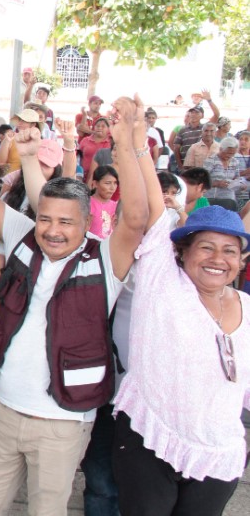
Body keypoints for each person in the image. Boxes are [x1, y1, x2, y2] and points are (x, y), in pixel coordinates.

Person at [0, 96, 150, 515]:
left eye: (66, 222)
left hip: (63, 423)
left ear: (86, 223)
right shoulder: (24, 236)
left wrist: (125, 142)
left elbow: (137, 218)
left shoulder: (105, 259)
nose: (53, 230)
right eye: (46, 218)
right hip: (4, 409)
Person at [111, 169, 250, 514]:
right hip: (150, 441)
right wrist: (135, 146)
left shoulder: (247, 308)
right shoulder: (161, 284)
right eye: (207, 247)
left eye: (230, 251)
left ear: (241, 261)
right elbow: (150, 212)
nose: (219, 259)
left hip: (217, 455)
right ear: (183, 251)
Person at [89, 165, 119, 238]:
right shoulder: (87, 204)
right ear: (95, 184)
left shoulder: (117, 207)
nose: (112, 188)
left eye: (115, 183)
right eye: (108, 183)